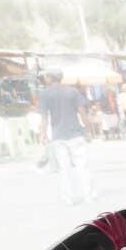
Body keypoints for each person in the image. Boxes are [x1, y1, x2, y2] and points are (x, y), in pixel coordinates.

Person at [35, 71, 94, 204]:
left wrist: (43, 135)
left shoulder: (45, 94)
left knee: (64, 169)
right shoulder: (72, 91)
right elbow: (82, 113)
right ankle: (88, 196)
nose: (44, 78)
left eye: (45, 76)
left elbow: (44, 118)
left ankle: (68, 199)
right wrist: (88, 131)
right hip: (75, 134)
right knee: (82, 167)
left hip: (58, 136)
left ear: (50, 77)